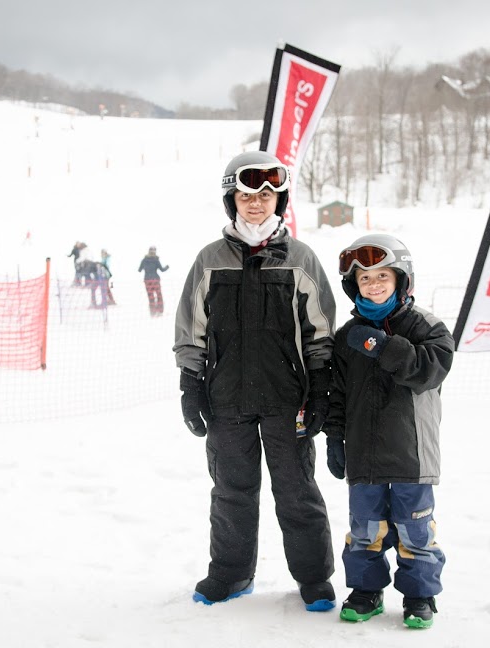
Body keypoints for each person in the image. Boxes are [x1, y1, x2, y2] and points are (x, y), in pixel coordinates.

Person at [173, 150, 337, 611]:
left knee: (297, 489)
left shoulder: (300, 258)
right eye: (246, 195)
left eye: (266, 195)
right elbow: (191, 328)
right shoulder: (209, 259)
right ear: (232, 201)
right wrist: (191, 382)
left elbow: (320, 330)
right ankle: (230, 573)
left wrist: (321, 385)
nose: (256, 204)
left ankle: (313, 578)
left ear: (279, 201)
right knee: (231, 491)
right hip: (226, 400)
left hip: (289, 401)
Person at [322, 233, 454, 629]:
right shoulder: (347, 336)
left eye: (382, 276)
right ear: (353, 286)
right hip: (363, 454)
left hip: (411, 454)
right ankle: (366, 591)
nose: (374, 284)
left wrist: (384, 347)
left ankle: (419, 596)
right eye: (365, 279)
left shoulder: (426, 326)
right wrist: (333, 436)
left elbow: (431, 369)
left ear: (401, 279)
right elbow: (337, 393)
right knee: (365, 529)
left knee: (416, 529)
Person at [137, 246, 169, 316]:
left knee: (150, 296)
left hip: (147, 280)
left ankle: (153, 312)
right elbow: (162, 270)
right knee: (159, 295)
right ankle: (160, 311)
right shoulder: (156, 260)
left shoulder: (144, 260)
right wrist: (167, 267)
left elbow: (139, 270)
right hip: (155, 280)